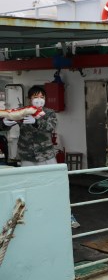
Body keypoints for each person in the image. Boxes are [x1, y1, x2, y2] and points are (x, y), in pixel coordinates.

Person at [1, 85, 80, 228]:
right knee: (28, 188)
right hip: (27, 156)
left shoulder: (49, 113)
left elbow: (51, 127)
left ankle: (67, 215)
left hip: (46, 155)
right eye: (35, 97)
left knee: (56, 185)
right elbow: (8, 119)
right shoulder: (23, 111)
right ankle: (34, 218)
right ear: (29, 99)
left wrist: (36, 122)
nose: (39, 100)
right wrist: (5, 123)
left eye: (42, 97)